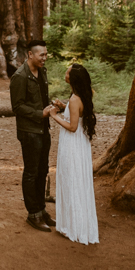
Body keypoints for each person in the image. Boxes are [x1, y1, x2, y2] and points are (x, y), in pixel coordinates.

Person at [48, 63, 99, 245]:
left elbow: (72, 126)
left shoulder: (76, 99)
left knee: (72, 180)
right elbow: (76, 114)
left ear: (73, 78)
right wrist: (64, 106)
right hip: (80, 143)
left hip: (73, 144)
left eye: (67, 71)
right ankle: (75, 223)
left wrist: (54, 115)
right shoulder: (81, 95)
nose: (65, 73)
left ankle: (74, 226)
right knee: (76, 180)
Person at [9, 40, 56, 232]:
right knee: (31, 172)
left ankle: (42, 209)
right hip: (29, 132)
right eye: (41, 55)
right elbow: (17, 107)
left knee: (43, 170)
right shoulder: (20, 77)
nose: (44, 58)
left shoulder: (42, 72)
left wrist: (53, 106)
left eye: (46, 54)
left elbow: (41, 99)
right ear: (30, 54)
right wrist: (39, 114)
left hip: (43, 129)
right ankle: (33, 214)